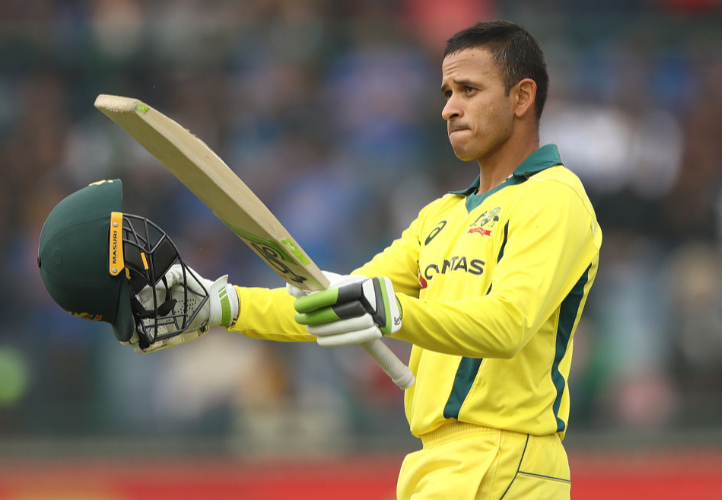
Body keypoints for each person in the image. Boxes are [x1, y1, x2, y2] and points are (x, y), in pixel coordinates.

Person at [39, 21, 601, 500]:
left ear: (522, 97)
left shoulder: (553, 197)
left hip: (505, 460)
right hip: (437, 462)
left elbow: (506, 327)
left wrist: (391, 311)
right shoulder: (441, 216)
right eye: (447, 91)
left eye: (469, 90)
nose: (450, 107)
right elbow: (331, 300)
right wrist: (221, 305)